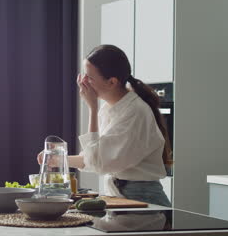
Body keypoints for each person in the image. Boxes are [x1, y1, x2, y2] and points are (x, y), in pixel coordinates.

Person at [39, 44, 172, 207]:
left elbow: (98, 161)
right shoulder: (109, 108)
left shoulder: (134, 112)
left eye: (89, 77)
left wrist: (92, 109)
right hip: (121, 195)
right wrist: (58, 160)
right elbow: (93, 158)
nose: (82, 82)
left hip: (142, 199)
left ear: (112, 82)